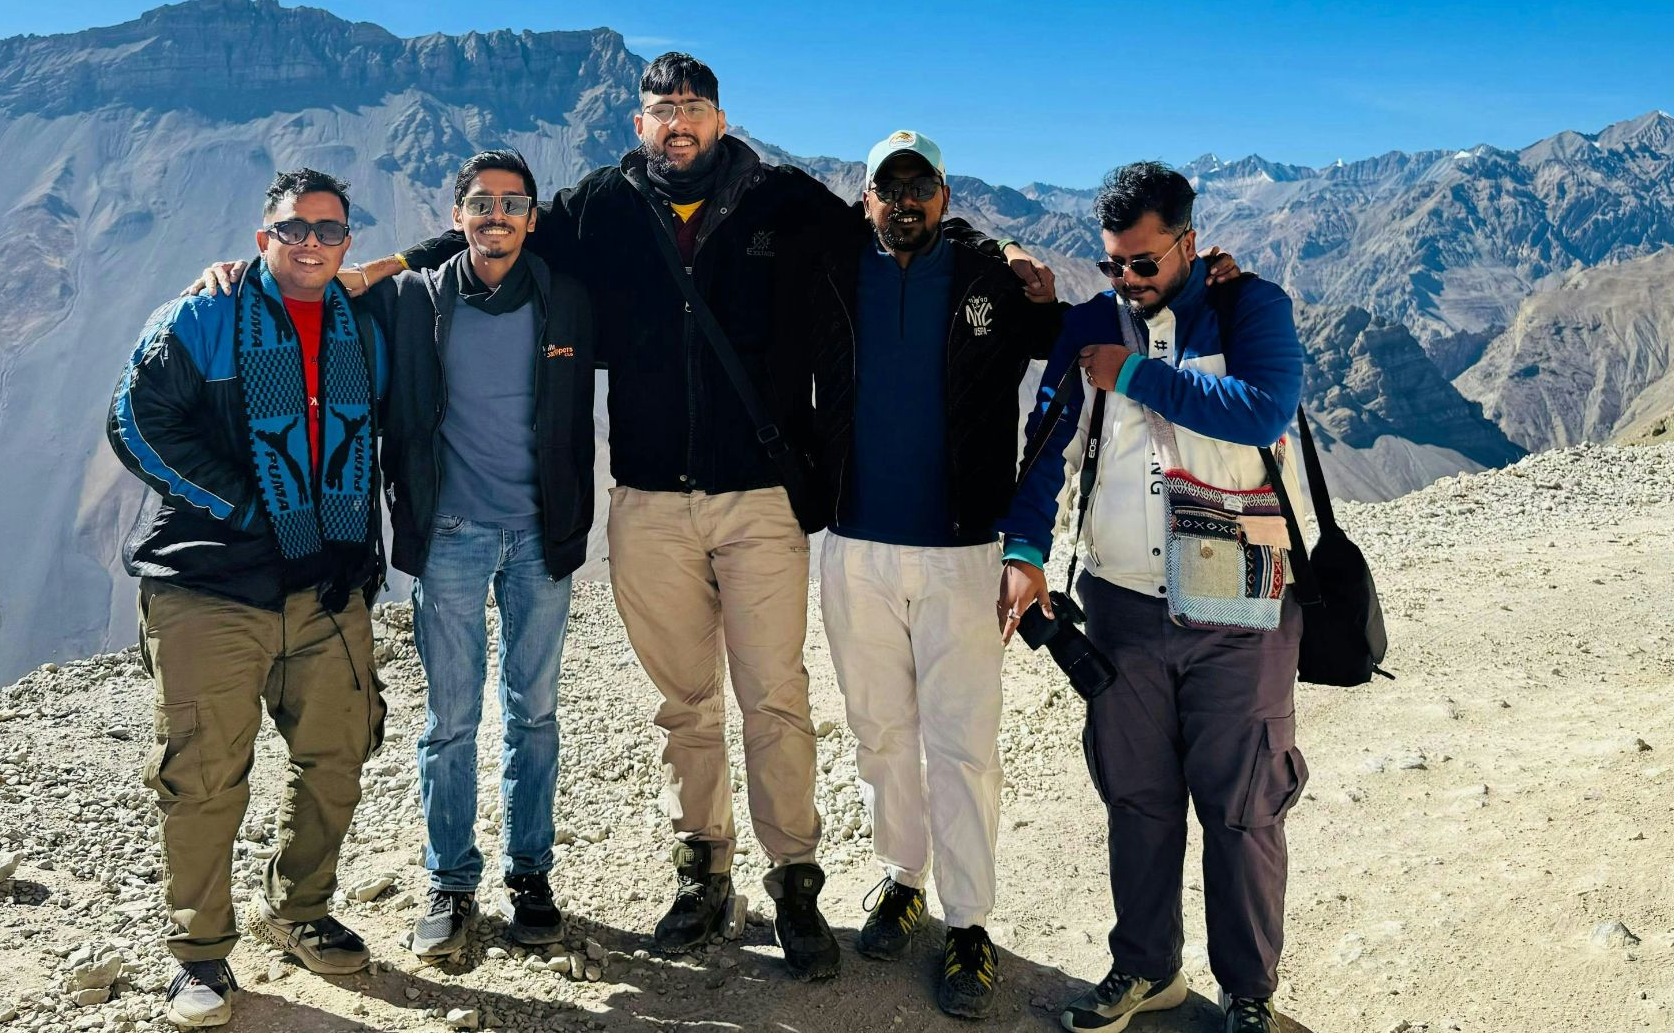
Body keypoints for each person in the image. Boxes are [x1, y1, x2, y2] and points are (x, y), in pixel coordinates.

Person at [191, 53, 1053, 981]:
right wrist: (377, 269)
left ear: (720, 117)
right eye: (661, 109)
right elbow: (491, 233)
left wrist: (994, 252)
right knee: (684, 700)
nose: (677, 122)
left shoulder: (782, 201)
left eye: (694, 107)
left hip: (760, 495)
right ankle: (704, 868)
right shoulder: (601, 205)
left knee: (774, 695)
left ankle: (794, 881)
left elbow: (891, 226)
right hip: (646, 497)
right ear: (636, 123)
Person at [996, 162, 1307, 1033]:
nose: (1128, 282)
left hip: (1244, 605)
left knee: (1243, 808)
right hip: (1124, 602)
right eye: (1112, 266)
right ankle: (1146, 970)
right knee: (1135, 796)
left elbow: (1260, 409)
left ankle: (1251, 995)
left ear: (1188, 242)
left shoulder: (1251, 309)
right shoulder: (1093, 324)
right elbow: (1046, 439)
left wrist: (1132, 376)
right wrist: (1024, 552)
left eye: (1144, 264)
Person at [107, 168, 389, 1029]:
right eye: (293, 228)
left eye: (329, 229)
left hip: (325, 583)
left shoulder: (361, 326)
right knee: (203, 773)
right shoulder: (201, 316)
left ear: (348, 241)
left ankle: (299, 908)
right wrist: (247, 504)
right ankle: (199, 954)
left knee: (340, 752)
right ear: (262, 236)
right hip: (209, 586)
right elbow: (136, 422)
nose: (310, 242)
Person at [789, 129, 1060, 1017]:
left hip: (963, 552)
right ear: (864, 198)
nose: (904, 202)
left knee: (963, 747)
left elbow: (1066, 351)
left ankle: (970, 924)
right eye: (887, 188)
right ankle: (903, 879)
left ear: (946, 194)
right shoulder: (832, 271)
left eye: (922, 187)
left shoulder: (987, 280)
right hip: (855, 546)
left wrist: (1013, 254)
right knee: (877, 732)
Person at [353, 150, 595, 960]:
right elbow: (308, 300)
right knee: (451, 722)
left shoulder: (566, 299)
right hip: (451, 533)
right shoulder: (416, 301)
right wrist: (230, 275)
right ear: (454, 215)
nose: (497, 216)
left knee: (535, 716)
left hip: (540, 535)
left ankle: (531, 876)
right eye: (481, 204)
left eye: (512, 203)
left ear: (533, 215)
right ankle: (451, 882)